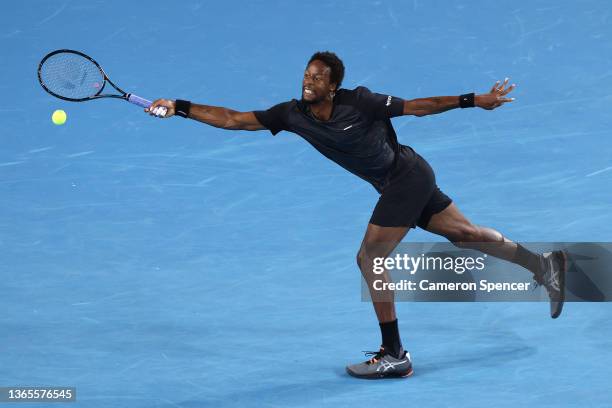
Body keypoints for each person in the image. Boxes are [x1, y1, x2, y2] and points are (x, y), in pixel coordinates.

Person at [146, 51, 567, 379]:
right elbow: (235, 119)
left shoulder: (361, 102)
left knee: (369, 258)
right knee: (467, 235)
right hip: (402, 181)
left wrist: (473, 100)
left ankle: (395, 354)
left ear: (334, 86)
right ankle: (543, 265)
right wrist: (179, 106)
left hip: (406, 176)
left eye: (317, 78)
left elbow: (419, 106)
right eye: (306, 75)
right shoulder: (291, 114)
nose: (308, 82)